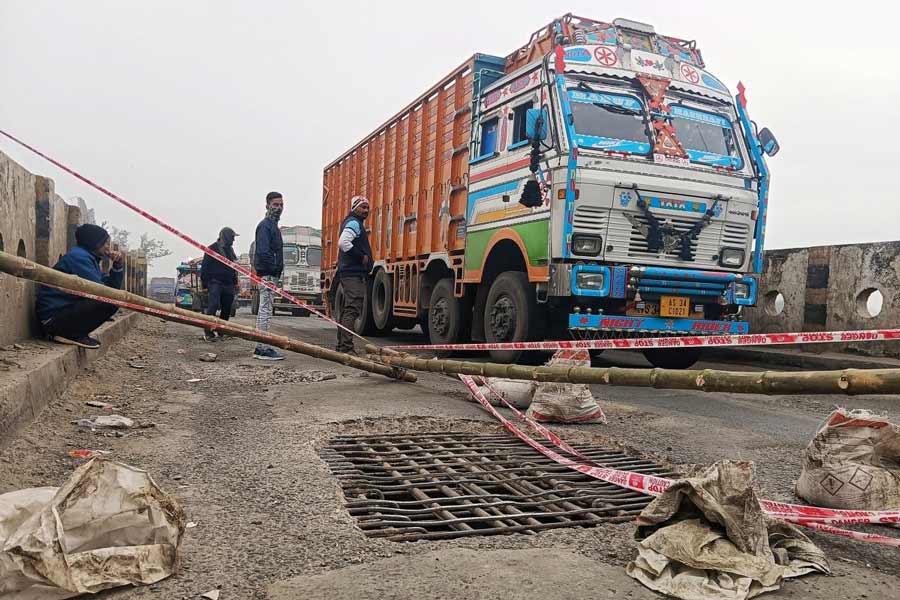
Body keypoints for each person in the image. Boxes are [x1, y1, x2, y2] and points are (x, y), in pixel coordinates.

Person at [36, 223, 124, 349]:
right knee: (108, 302)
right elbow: (102, 292)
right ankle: (68, 334)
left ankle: (75, 333)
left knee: (111, 300)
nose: (107, 247)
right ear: (95, 243)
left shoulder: (89, 259)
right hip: (53, 319)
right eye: (105, 243)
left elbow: (111, 288)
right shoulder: (79, 258)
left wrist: (117, 266)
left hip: (61, 314)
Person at [335, 195, 372, 355]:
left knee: (347, 309)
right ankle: (346, 347)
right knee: (352, 308)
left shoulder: (353, 222)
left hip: (349, 272)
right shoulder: (353, 223)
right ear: (354, 208)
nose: (366, 210)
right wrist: (361, 257)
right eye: (362, 207)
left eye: (367, 208)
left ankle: (342, 345)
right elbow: (343, 243)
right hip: (352, 273)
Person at [252, 191, 286, 360]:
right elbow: (264, 252)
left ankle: (261, 345)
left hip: (271, 275)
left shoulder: (273, 226)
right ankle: (262, 348)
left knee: (265, 310)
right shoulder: (265, 226)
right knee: (264, 311)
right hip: (267, 275)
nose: (278, 208)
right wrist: (273, 269)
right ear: (267, 205)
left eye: (281, 205)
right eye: (275, 205)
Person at [200, 227, 239, 342]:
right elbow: (204, 268)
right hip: (215, 282)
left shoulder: (230, 250)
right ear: (225, 237)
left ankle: (222, 331)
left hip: (228, 283)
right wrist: (205, 285)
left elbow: (233, 267)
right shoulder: (211, 249)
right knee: (213, 305)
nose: (233, 240)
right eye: (232, 237)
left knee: (227, 307)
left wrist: (235, 282)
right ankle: (208, 332)